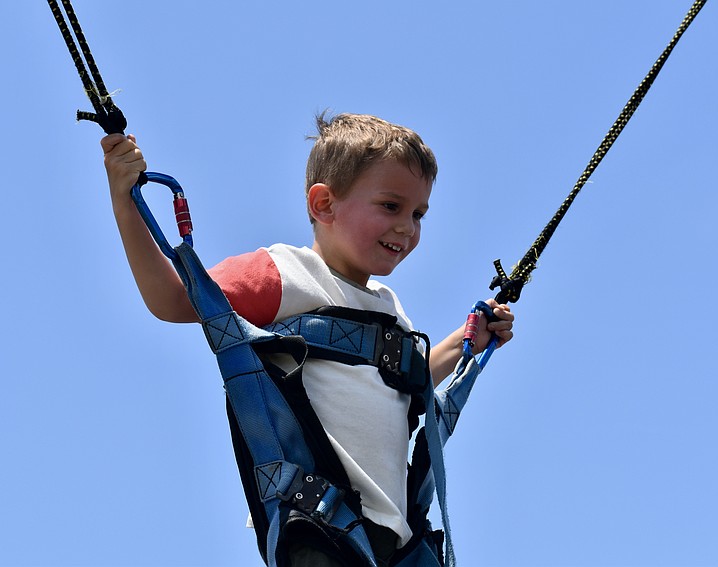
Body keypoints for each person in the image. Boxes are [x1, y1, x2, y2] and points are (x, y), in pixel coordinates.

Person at [101, 112, 515, 566]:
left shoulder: (390, 309)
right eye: (391, 206)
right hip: (322, 528)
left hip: (393, 543)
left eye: (418, 214)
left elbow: (405, 386)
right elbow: (173, 300)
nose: (407, 227)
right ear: (324, 205)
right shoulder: (285, 273)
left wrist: (466, 342)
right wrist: (125, 201)